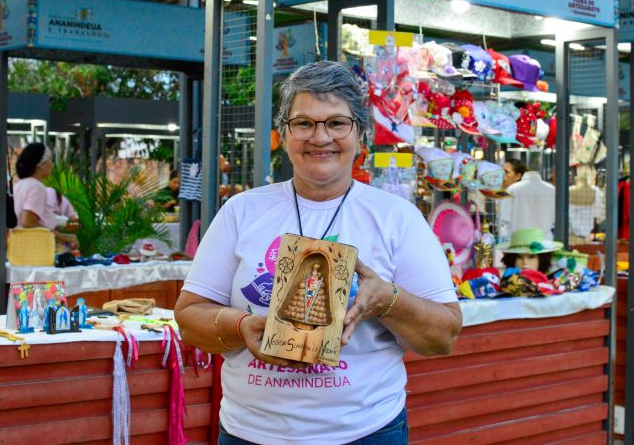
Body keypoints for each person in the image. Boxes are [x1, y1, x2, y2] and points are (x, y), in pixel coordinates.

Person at [175, 61, 461, 444]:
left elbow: (443, 337)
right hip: (251, 434)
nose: (320, 137)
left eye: (337, 123)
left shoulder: (398, 218)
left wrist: (388, 300)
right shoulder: (242, 211)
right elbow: (189, 317)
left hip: (365, 433)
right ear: (284, 133)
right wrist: (241, 326)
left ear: (361, 134)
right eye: (304, 123)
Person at [13, 143, 78, 249]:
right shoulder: (36, 187)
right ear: (41, 165)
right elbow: (28, 221)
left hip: (19, 248)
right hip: (35, 250)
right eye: (50, 160)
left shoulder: (20, 185)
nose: (52, 164)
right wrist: (61, 236)